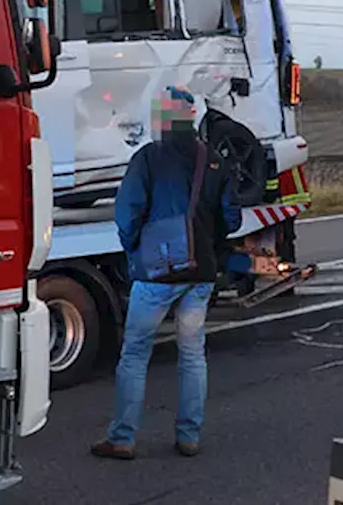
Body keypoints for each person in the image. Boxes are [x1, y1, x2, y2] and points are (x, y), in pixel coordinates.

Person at [92, 86, 242, 460]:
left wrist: (135, 250)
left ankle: (123, 437)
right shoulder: (213, 161)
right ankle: (189, 436)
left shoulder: (147, 158)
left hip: (156, 273)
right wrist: (206, 244)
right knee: (193, 354)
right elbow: (233, 219)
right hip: (201, 273)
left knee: (135, 354)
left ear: (161, 118)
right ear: (192, 117)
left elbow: (127, 214)